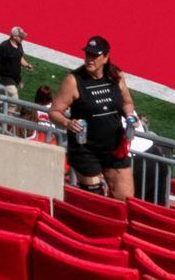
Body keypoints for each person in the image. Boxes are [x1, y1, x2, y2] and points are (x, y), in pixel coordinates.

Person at [50, 36, 139, 198]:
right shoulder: (74, 80)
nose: (89, 59)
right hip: (86, 149)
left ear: (105, 57)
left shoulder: (116, 75)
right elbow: (54, 112)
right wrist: (68, 123)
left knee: (125, 199)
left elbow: (127, 102)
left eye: (94, 55)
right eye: (87, 55)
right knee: (95, 197)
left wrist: (129, 116)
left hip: (114, 147)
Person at [0, 27, 28, 97]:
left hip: (15, 79)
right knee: (14, 102)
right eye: (20, 37)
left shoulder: (19, 44)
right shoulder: (3, 47)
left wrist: (26, 64)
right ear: (14, 37)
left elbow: (19, 57)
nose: (23, 38)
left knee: (3, 100)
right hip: (6, 79)